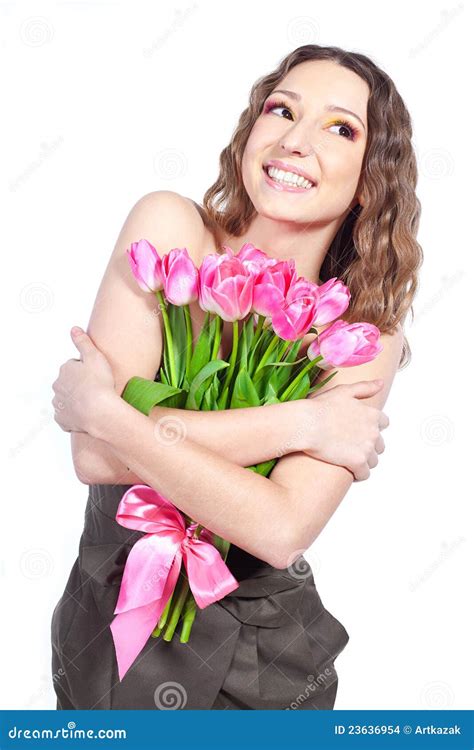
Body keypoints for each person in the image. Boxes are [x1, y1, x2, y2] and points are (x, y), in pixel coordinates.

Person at [50, 44, 423, 710]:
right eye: (282, 109)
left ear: (370, 178)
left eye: (341, 128)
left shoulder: (359, 334)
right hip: (109, 619)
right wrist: (304, 420)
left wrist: (108, 412)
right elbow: (92, 457)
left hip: (263, 661)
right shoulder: (171, 231)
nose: (294, 140)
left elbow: (279, 529)